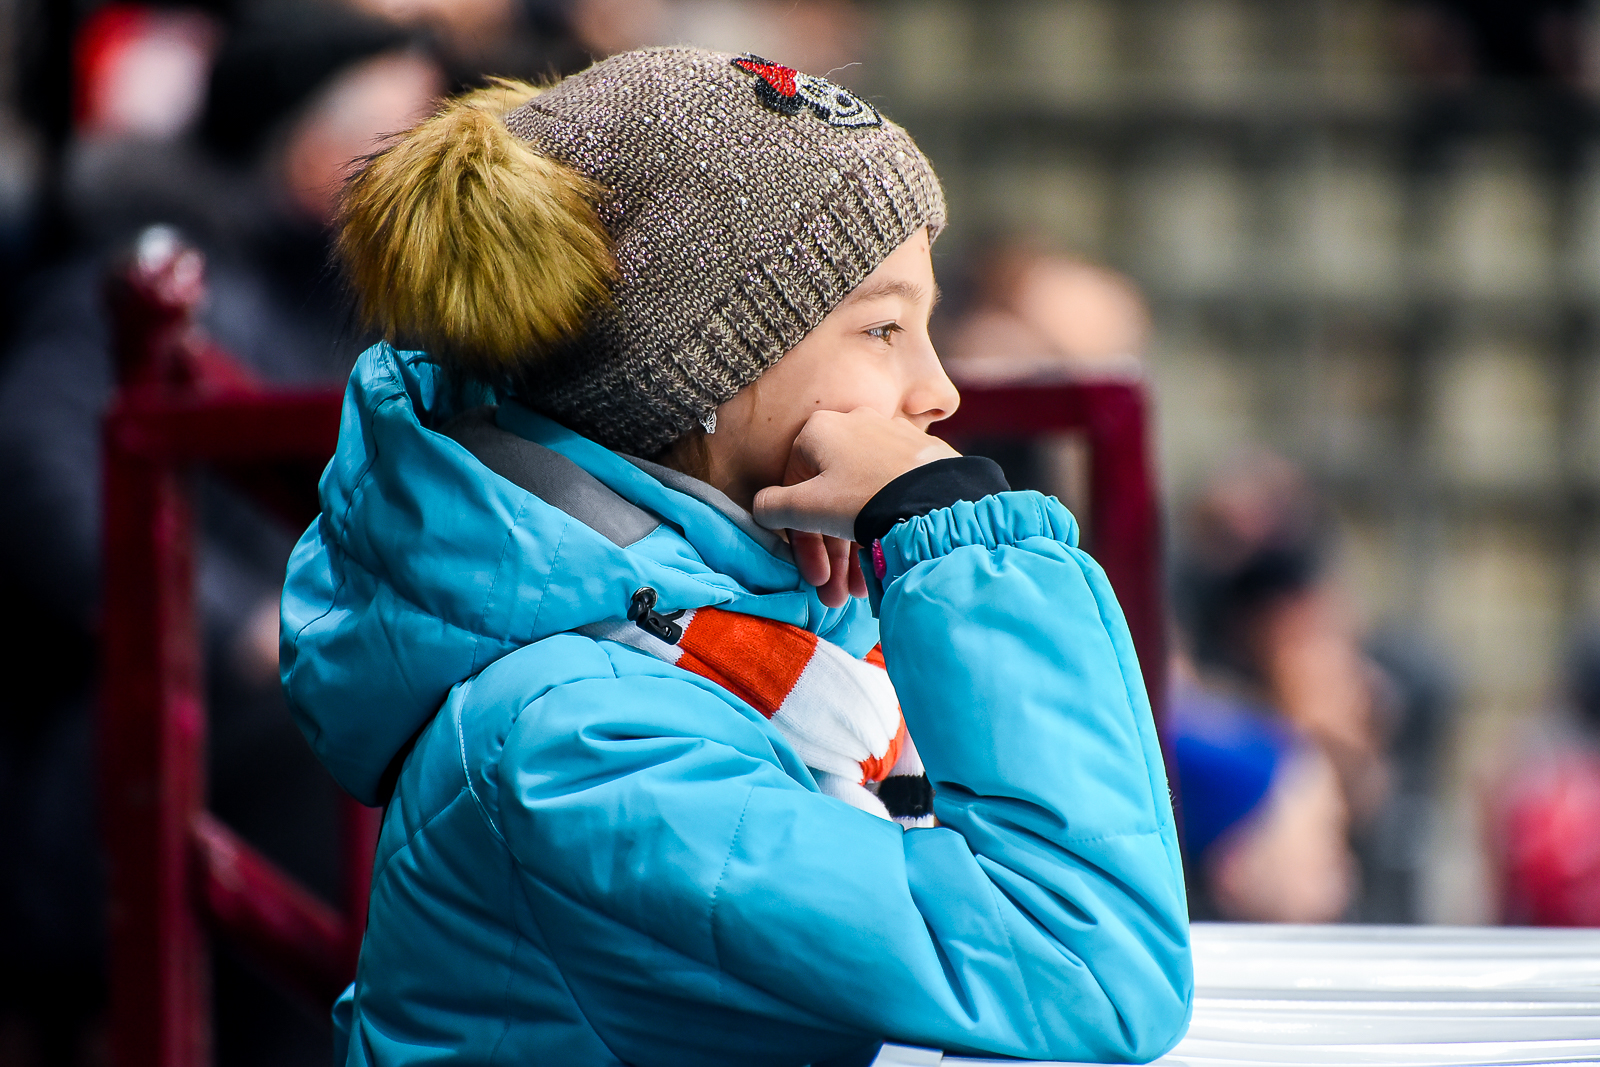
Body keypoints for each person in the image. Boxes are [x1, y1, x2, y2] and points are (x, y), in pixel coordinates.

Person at [283, 48, 1190, 1065]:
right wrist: (954, 531)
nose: (938, 393)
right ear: (697, 375)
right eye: (883, 327)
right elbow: (1086, 975)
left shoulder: (735, 635)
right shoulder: (578, 740)